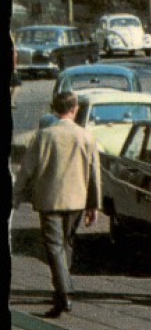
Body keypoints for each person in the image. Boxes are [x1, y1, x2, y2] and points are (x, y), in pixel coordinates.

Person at [14, 91, 101, 317]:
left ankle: (64, 291)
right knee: (67, 244)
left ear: (54, 109)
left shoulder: (44, 136)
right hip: (77, 200)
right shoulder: (86, 136)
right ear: (74, 109)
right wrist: (94, 205)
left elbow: (27, 169)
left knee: (54, 247)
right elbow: (94, 174)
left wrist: (16, 193)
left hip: (49, 199)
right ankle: (63, 290)